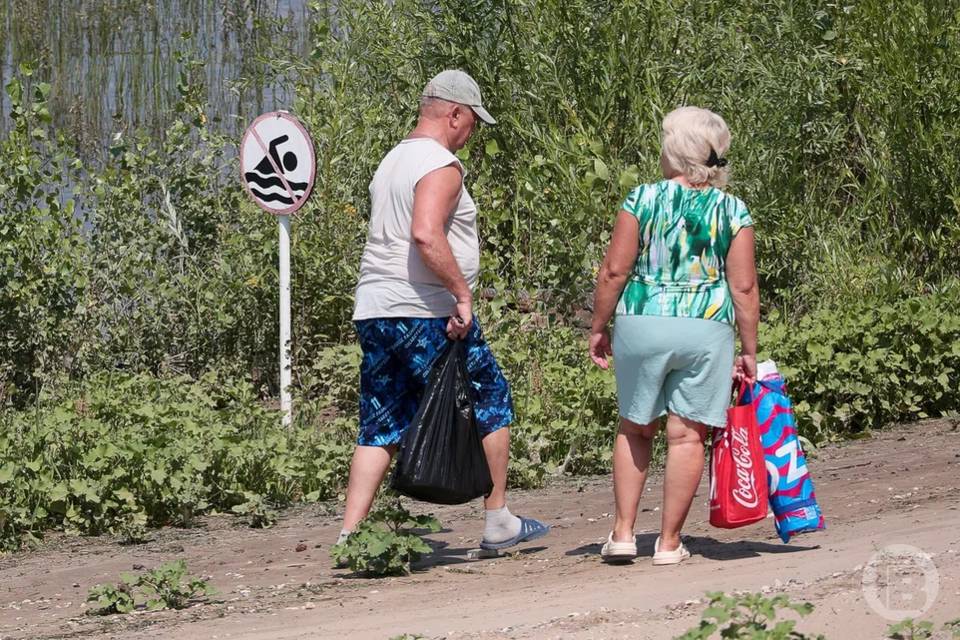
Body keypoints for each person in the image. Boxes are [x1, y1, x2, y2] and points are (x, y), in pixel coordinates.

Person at [337, 69, 549, 553]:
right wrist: (462, 294)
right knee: (491, 397)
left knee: (382, 416)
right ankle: (498, 520)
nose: (472, 133)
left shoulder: (392, 159)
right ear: (454, 113)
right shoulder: (440, 164)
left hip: (375, 308)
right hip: (423, 309)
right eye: (472, 121)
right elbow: (425, 233)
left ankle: (350, 535)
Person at [588, 106, 759, 565]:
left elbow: (614, 270)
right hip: (706, 328)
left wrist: (598, 326)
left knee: (635, 427)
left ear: (677, 151)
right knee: (687, 436)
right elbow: (744, 287)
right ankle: (667, 543)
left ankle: (623, 534)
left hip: (643, 321)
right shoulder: (733, 209)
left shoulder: (641, 199)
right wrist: (749, 350)